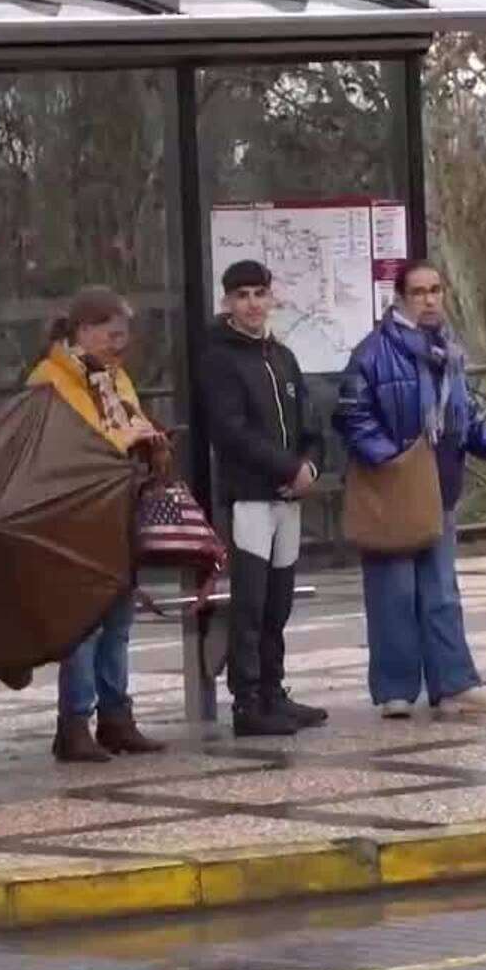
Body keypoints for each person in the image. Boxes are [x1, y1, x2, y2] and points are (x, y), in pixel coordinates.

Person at [333, 261, 486, 718]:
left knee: (441, 592)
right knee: (393, 593)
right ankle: (396, 690)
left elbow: (468, 418)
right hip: (394, 491)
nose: (429, 299)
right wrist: (393, 461)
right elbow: (351, 415)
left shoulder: (449, 355)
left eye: (436, 290)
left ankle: (454, 682)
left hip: (440, 488)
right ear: (400, 298)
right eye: (418, 292)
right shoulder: (373, 354)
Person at [28, 287, 167, 762]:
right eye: (110, 334)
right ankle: (74, 724)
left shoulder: (115, 377)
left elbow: (130, 426)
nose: (118, 343)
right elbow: (63, 451)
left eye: (123, 336)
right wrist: (121, 438)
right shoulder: (49, 380)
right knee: (83, 627)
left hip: (120, 514)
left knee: (118, 625)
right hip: (76, 522)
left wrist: (148, 438)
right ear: (81, 331)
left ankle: (116, 717)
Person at [198, 260, 328, 737]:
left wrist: (309, 465)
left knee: (279, 602)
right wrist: (285, 467)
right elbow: (230, 432)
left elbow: (310, 424)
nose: (252, 303)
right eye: (242, 295)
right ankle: (248, 701)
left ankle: (274, 690)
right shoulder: (219, 359)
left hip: (288, 498)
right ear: (227, 302)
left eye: (259, 293)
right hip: (249, 499)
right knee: (250, 605)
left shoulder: (282, 356)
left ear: (273, 297)